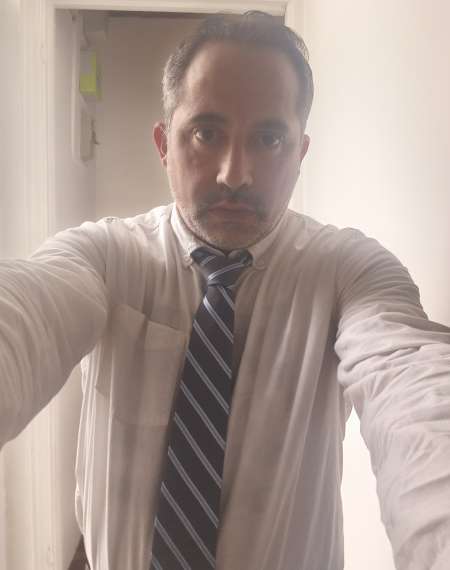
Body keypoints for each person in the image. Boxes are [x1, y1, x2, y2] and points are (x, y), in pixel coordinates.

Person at [0, 11, 449, 570]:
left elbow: (413, 382)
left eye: (268, 138)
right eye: (206, 133)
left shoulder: (348, 270)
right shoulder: (106, 256)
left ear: (300, 154)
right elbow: (26, 313)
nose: (235, 174)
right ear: (164, 144)